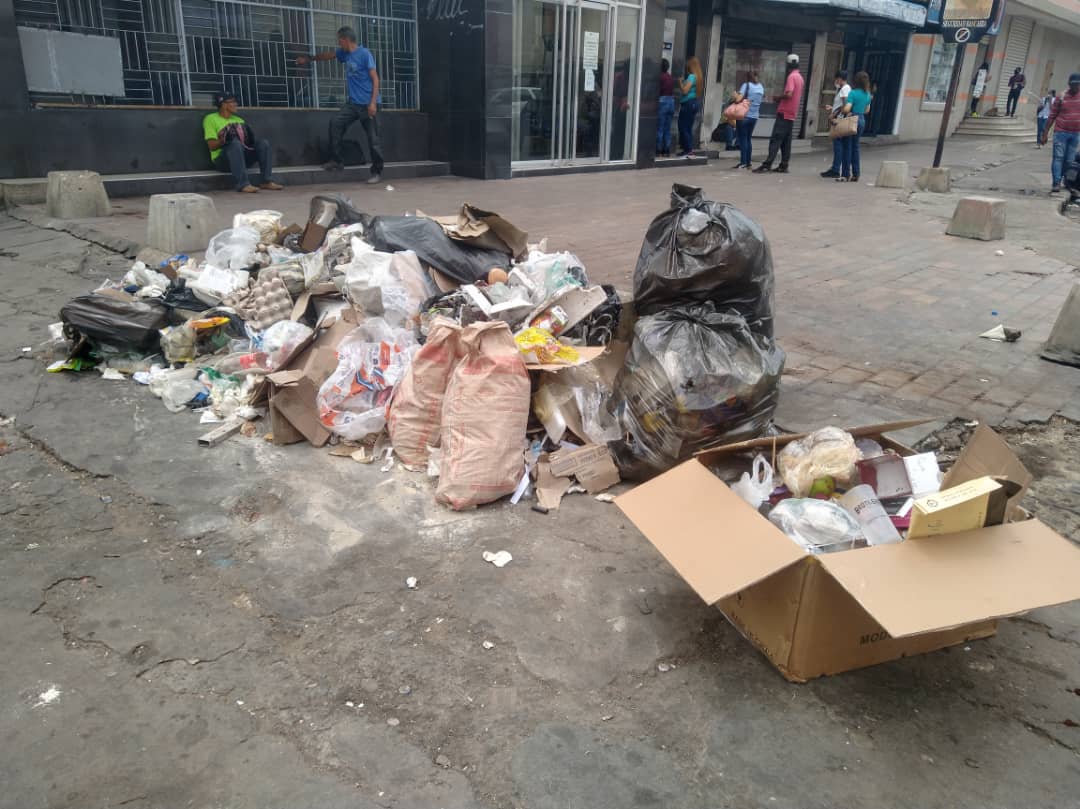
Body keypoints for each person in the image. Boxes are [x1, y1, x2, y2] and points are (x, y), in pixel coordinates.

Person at [298, 27, 384, 184]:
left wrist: (373, 103)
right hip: (353, 104)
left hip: (368, 104)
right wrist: (309, 59)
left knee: (373, 139)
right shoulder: (344, 54)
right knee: (336, 122)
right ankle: (337, 160)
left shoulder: (364, 54)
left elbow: (375, 78)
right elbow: (328, 55)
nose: (338, 43)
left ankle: (377, 172)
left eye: (339, 40)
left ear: (346, 40)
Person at [202, 92, 283, 194]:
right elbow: (212, 146)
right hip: (222, 161)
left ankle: (266, 181)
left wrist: (249, 137)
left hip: (242, 159)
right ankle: (243, 184)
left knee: (263, 143)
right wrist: (224, 139)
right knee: (234, 144)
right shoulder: (210, 119)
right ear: (223, 104)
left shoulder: (238, 120)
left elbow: (248, 144)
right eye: (233, 102)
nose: (236, 104)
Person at [754, 53, 805, 174]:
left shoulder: (791, 77)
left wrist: (778, 98)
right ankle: (784, 164)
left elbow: (789, 94)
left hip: (785, 112)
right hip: (792, 114)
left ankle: (767, 164)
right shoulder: (800, 78)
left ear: (788, 65)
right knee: (786, 142)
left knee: (776, 139)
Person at [1041, 73, 1080, 193]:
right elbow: (1052, 116)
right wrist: (1045, 133)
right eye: (1074, 84)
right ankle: (1056, 183)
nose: (1076, 87)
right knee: (1058, 158)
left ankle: (1064, 180)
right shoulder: (1061, 97)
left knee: (1069, 160)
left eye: (1078, 84)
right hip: (1061, 132)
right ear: (1069, 84)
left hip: (1075, 134)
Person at [838, 70, 872, 183]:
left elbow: (847, 108)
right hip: (862, 119)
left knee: (847, 146)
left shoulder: (853, 93)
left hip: (852, 119)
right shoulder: (867, 94)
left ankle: (845, 174)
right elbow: (867, 110)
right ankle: (856, 174)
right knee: (855, 147)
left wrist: (844, 110)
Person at [821, 70, 851, 178]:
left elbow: (845, 106)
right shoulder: (843, 89)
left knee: (838, 145)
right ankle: (835, 167)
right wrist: (832, 108)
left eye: (836, 79)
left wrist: (834, 114)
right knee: (838, 145)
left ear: (839, 78)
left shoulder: (845, 89)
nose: (835, 81)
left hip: (839, 120)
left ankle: (835, 169)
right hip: (838, 118)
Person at [733, 71, 765, 169]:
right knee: (748, 139)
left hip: (744, 116)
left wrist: (735, 94)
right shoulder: (761, 87)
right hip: (754, 117)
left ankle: (743, 162)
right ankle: (748, 162)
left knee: (743, 140)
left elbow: (738, 100)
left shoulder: (746, 85)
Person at [678, 56, 703, 157]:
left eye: (688, 67)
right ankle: (687, 149)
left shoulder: (692, 77)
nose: (687, 69)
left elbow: (685, 91)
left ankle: (688, 150)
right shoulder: (699, 77)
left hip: (687, 103)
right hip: (693, 103)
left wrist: (680, 82)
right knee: (688, 127)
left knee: (683, 127)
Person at [657, 59, 675, 157]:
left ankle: (658, 150)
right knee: (667, 128)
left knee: (660, 128)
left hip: (662, 101)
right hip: (671, 102)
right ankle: (666, 150)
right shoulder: (670, 77)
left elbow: (657, 90)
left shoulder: (660, 77)